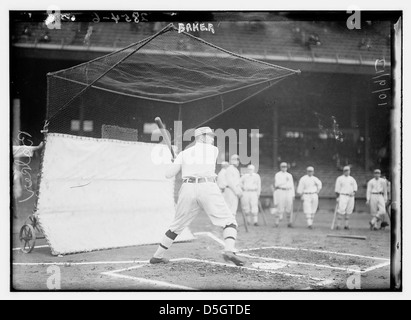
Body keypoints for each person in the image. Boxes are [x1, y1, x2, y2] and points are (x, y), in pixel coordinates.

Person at [149, 127, 244, 266]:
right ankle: (229, 250)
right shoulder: (213, 150)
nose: (212, 138)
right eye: (209, 136)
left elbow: (168, 174)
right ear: (201, 137)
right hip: (207, 187)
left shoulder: (184, 153)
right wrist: (180, 159)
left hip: (187, 189)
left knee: (176, 226)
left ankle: (157, 256)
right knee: (229, 221)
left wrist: (176, 161)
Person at [334, 166, 358, 230]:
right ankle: (338, 225)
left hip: (350, 196)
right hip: (342, 195)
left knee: (349, 210)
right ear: (343, 171)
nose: (347, 172)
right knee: (341, 210)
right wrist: (337, 197)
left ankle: (346, 225)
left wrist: (354, 192)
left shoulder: (352, 179)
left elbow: (355, 188)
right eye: (345, 171)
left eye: (348, 170)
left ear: (350, 171)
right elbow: (337, 189)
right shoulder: (339, 178)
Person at [273, 162, 295, 228]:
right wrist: (285, 181)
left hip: (288, 191)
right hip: (281, 191)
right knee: (279, 206)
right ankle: (276, 222)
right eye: (282, 167)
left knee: (289, 207)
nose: (284, 168)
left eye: (285, 167)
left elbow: (292, 185)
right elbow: (277, 184)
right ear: (280, 167)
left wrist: (293, 195)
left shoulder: (289, 175)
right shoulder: (278, 174)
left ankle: (289, 222)